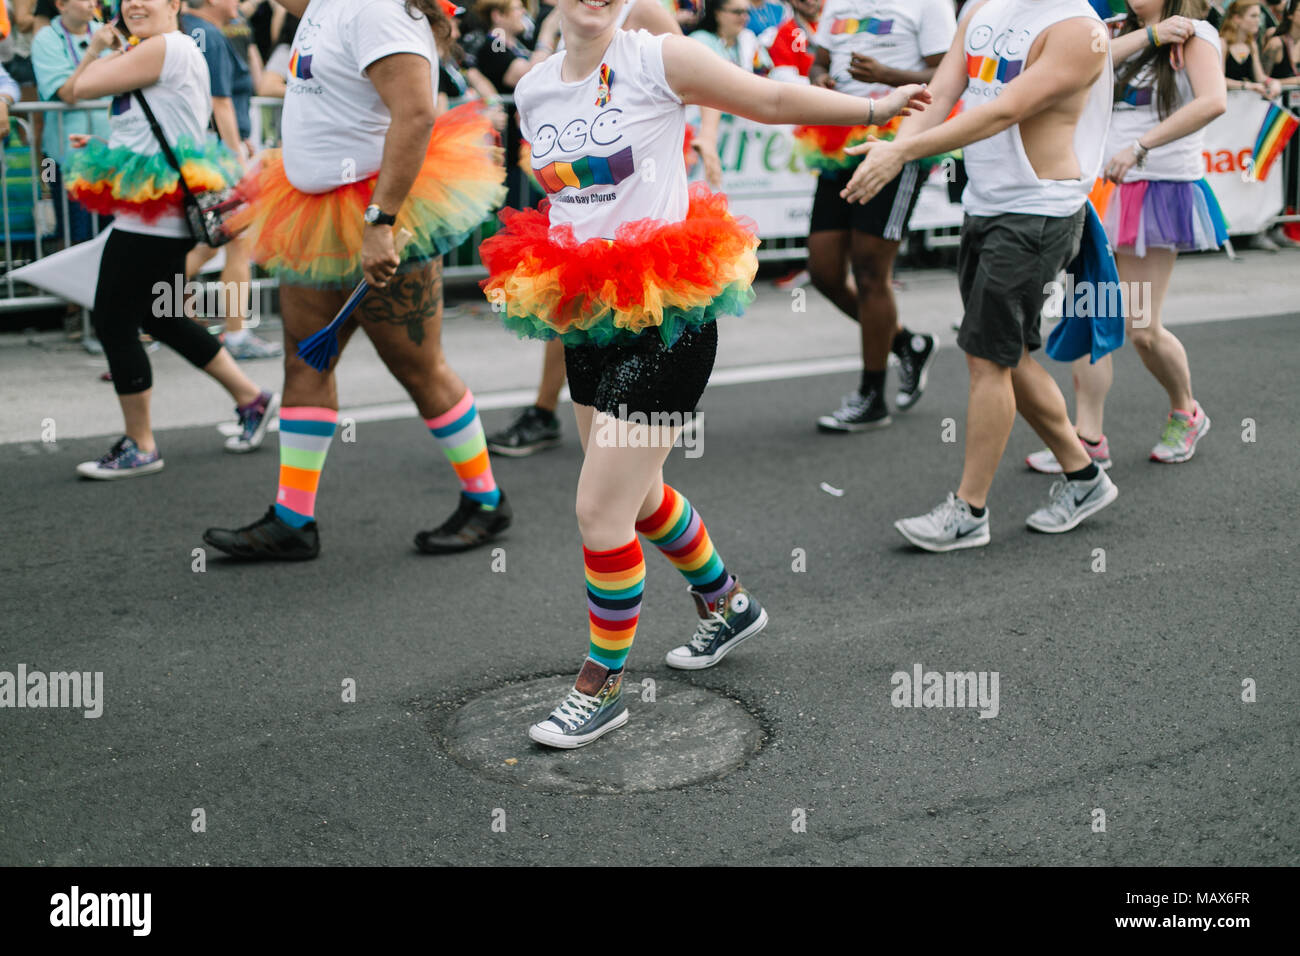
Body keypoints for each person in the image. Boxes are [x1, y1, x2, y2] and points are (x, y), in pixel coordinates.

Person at [480, 0, 929, 747]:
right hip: (588, 317)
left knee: (599, 510)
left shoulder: (656, 58)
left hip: (670, 318)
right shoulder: (534, 89)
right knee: (639, 491)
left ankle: (603, 685)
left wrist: (875, 104)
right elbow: (567, 201)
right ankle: (727, 602)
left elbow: (771, 97)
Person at [202, 0, 511, 561]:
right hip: (313, 215)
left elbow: (416, 114)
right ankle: (293, 520)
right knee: (305, 361)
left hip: (376, 217)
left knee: (418, 367)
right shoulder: (324, 8)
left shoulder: (375, 9)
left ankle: (486, 501)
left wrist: (382, 222)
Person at [845, 0, 1121, 551]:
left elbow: (1003, 111)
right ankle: (1084, 476)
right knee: (1005, 353)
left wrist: (901, 153)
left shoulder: (1079, 30)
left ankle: (969, 511)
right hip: (986, 203)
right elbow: (942, 94)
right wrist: (900, 143)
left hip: (1038, 210)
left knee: (987, 357)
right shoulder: (981, 9)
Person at [63, 0, 278, 478]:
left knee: (114, 322)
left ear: (175, 3)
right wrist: (105, 147)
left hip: (151, 220)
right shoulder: (165, 48)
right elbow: (162, 131)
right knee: (163, 319)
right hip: (159, 211)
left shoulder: (163, 47)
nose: (134, 3)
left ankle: (141, 445)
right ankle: (252, 398)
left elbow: (75, 90)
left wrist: (96, 46)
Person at [486, 0, 702, 458]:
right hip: (585, 202)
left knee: (604, 509)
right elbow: (546, 86)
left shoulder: (642, 16)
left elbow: (697, 83)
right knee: (572, 297)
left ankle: (546, 411)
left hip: (642, 229)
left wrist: (706, 144)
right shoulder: (568, 20)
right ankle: (546, 412)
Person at [1027, 2, 1226, 473]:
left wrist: (1140, 147)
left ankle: (1187, 411)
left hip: (1156, 191)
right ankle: (1087, 439)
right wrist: (1146, 37)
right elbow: (1075, 66)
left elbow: (1213, 101)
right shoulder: (1115, 33)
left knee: (1140, 329)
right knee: (1089, 315)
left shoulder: (1194, 34)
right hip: (1097, 192)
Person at [802, 0, 954, 432]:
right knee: (824, 270)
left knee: (870, 271)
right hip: (838, 139)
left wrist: (889, 78)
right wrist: (821, 79)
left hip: (899, 142)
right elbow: (819, 62)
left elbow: (947, 79)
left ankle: (872, 397)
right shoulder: (835, 5)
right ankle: (907, 342)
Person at [179, 0, 282, 360]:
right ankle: (235, 335)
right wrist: (236, 154)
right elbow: (218, 102)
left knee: (216, 241)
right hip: (216, 155)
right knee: (234, 239)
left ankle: (148, 308)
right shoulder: (205, 32)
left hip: (207, 151)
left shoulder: (192, 29)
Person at [31, 0, 114, 245]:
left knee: (111, 238)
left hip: (111, 154)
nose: (93, 4)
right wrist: (94, 51)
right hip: (69, 159)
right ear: (61, 5)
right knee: (79, 238)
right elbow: (67, 93)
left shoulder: (105, 31)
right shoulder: (46, 39)